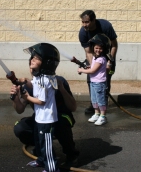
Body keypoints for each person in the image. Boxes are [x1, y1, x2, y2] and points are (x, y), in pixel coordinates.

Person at [10, 43, 79, 171]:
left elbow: (73, 107)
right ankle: (41, 155)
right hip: (40, 118)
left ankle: (65, 157)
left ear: (46, 63)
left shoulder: (55, 81)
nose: (31, 61)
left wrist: (62, 89)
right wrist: (15, 97)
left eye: (35, 58)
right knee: (23, 129)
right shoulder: (33, 82)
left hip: (56, 117)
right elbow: (20, 109)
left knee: (58, 128)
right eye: (31, 58)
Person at [78, 10, 118, 114]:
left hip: (107, 56)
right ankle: (94, 105)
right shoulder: (83, 33)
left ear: (93, 20)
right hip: (94, 57)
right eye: (82, 22)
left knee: (105, 81)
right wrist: (93, 67)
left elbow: (114, 45)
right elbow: (88, 52)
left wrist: (109, 62)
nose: (84, 25)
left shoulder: (105, 26)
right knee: (91, 80)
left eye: (86, 22)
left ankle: (103, 106)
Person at [77, 34, 112, 125]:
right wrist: (88, 66)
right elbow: (93, 67)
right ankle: (97, 114)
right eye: (96, 48)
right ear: (93, 47)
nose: (98, 50)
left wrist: (82, 70)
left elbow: (93, 71)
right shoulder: (95, 58)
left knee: (100, 100)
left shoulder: (101, 59)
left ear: (104, 49)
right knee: (94, 100)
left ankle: (103, 116)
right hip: (93, 82)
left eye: (100, 48)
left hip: (99, 83)